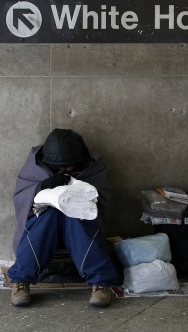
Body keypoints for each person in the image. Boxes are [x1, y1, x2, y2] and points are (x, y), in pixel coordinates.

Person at [8, 128, 119, 308]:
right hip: (44, 225)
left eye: (70, 166)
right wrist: (42, 187)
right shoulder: (35, 164)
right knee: (47, 216)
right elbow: (21, 197)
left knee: (76, 214)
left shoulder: (92, 164)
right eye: (60, 168)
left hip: (77, 226)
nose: (65, 170)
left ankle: (100, 282)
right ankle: (21, 280)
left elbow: (102, 197)